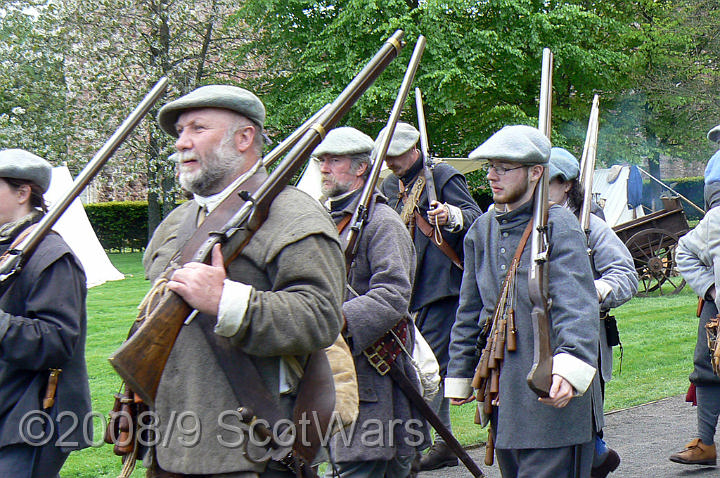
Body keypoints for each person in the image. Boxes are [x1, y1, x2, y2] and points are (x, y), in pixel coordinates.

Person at [143, 85, 346, 477]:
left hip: (251, 450)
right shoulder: (176, 224)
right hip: (170, 446)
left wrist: (226, 302)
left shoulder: (294, 216)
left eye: (198, 128)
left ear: (244, 137)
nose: (182, 142)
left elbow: (321, 317)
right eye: (180, 131)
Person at [445, 125, 600, 478]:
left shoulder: (558, 225)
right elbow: (470, 308)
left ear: (535, 173)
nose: (491, 175)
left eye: (503, 167)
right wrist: (460, 368)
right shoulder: (481, 229)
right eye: (490, 166)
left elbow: (576, 304)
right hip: (505, 395)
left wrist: (570, 365)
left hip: (550, 388)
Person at [311, 126, 429, 477]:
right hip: (335, 378)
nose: (324, 168)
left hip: (375, 382)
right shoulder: (326, 221)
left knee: (361, 465)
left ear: (361, 168)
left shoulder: (382, 223)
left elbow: (392, 295)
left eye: (334, 160)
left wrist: (329, 323)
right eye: (322, 161)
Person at [379, 122, 482, 470]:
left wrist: (449, 215)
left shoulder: (444, 175)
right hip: (409, 286)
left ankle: (439, 442)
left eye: (395, 156)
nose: (391, 163)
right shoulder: (392, 184)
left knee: (431, 366)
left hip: (441, 285)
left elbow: (475, 218)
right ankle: (436, 442)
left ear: (413, 150)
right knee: (417, 364)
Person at [0, 149, 92, 477]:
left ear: (23, 192)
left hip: (31, 415)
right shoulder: (5, 247)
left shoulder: (52, 255)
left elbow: (56, 341)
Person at [547, 147, 639, 478]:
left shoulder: (590, 229)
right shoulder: (525, 225)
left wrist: (592, 292)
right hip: (535, 337)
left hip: (584, 337)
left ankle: (594, 456)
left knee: (583, 423)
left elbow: (626, 276)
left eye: (549, 181)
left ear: (567, 185)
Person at [669, 134, 720, 467]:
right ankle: (705, 442)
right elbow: (685, 252)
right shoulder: (716, 219)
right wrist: (711, 289)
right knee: (707, 367)